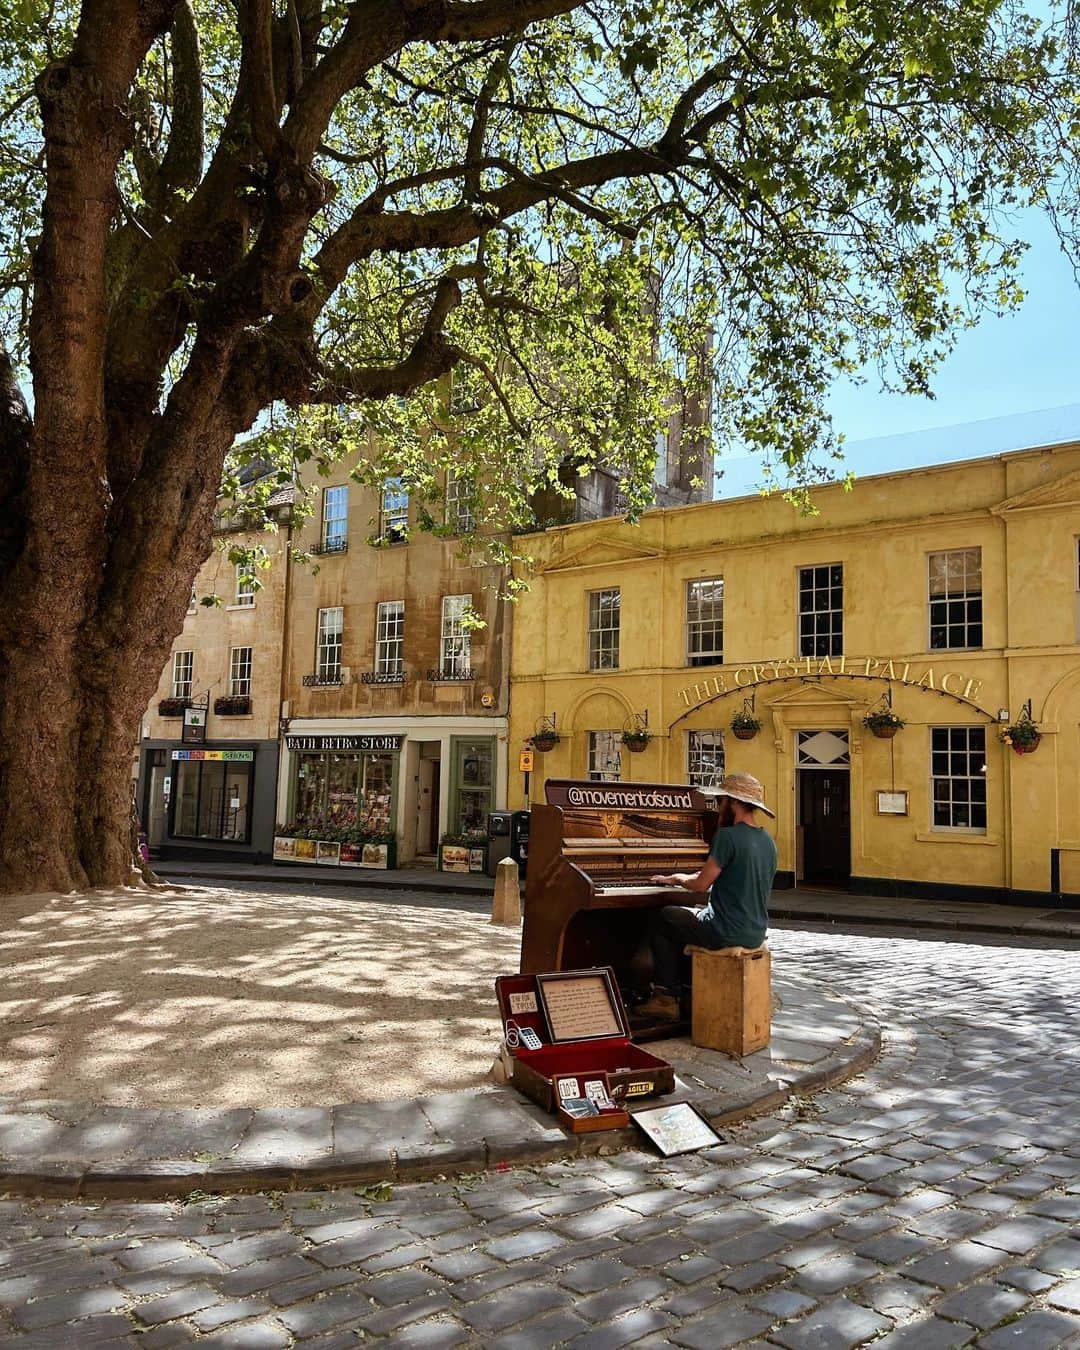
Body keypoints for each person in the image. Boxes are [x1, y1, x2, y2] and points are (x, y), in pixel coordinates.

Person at [637, 771, 777, 1021]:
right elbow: (724, 874)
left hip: (724, 931)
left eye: (719, 801)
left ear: (733, 803)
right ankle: (689, 993)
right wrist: (684, 876)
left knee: (663, 917)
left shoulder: (728, 836)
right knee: (685, 919)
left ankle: (666, 998)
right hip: (755, 930)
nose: (717, 807)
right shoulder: (767, 841)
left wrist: (676, 879)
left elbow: (701, 884)